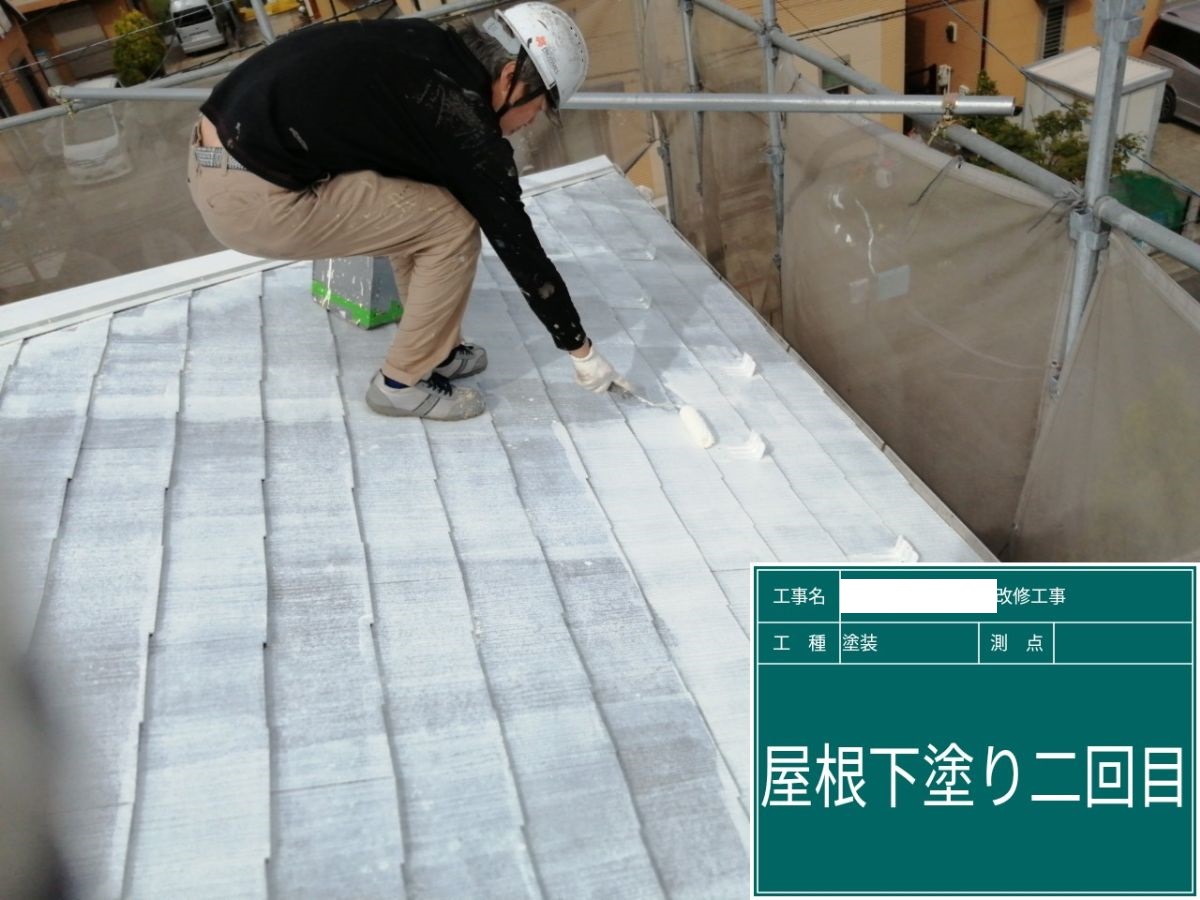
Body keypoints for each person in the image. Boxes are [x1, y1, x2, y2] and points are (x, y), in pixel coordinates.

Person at [188, 2, 624, 419]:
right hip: (250, 196)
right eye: (538, 108)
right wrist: (580, 349)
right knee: (452, 224)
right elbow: (516, 241)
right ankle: (400, 384)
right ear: (510, 76)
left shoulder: (429, 47)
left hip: (220, 155)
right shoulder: (458, 114)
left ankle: (436, 350)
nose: (530, 122)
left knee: (425, 200)